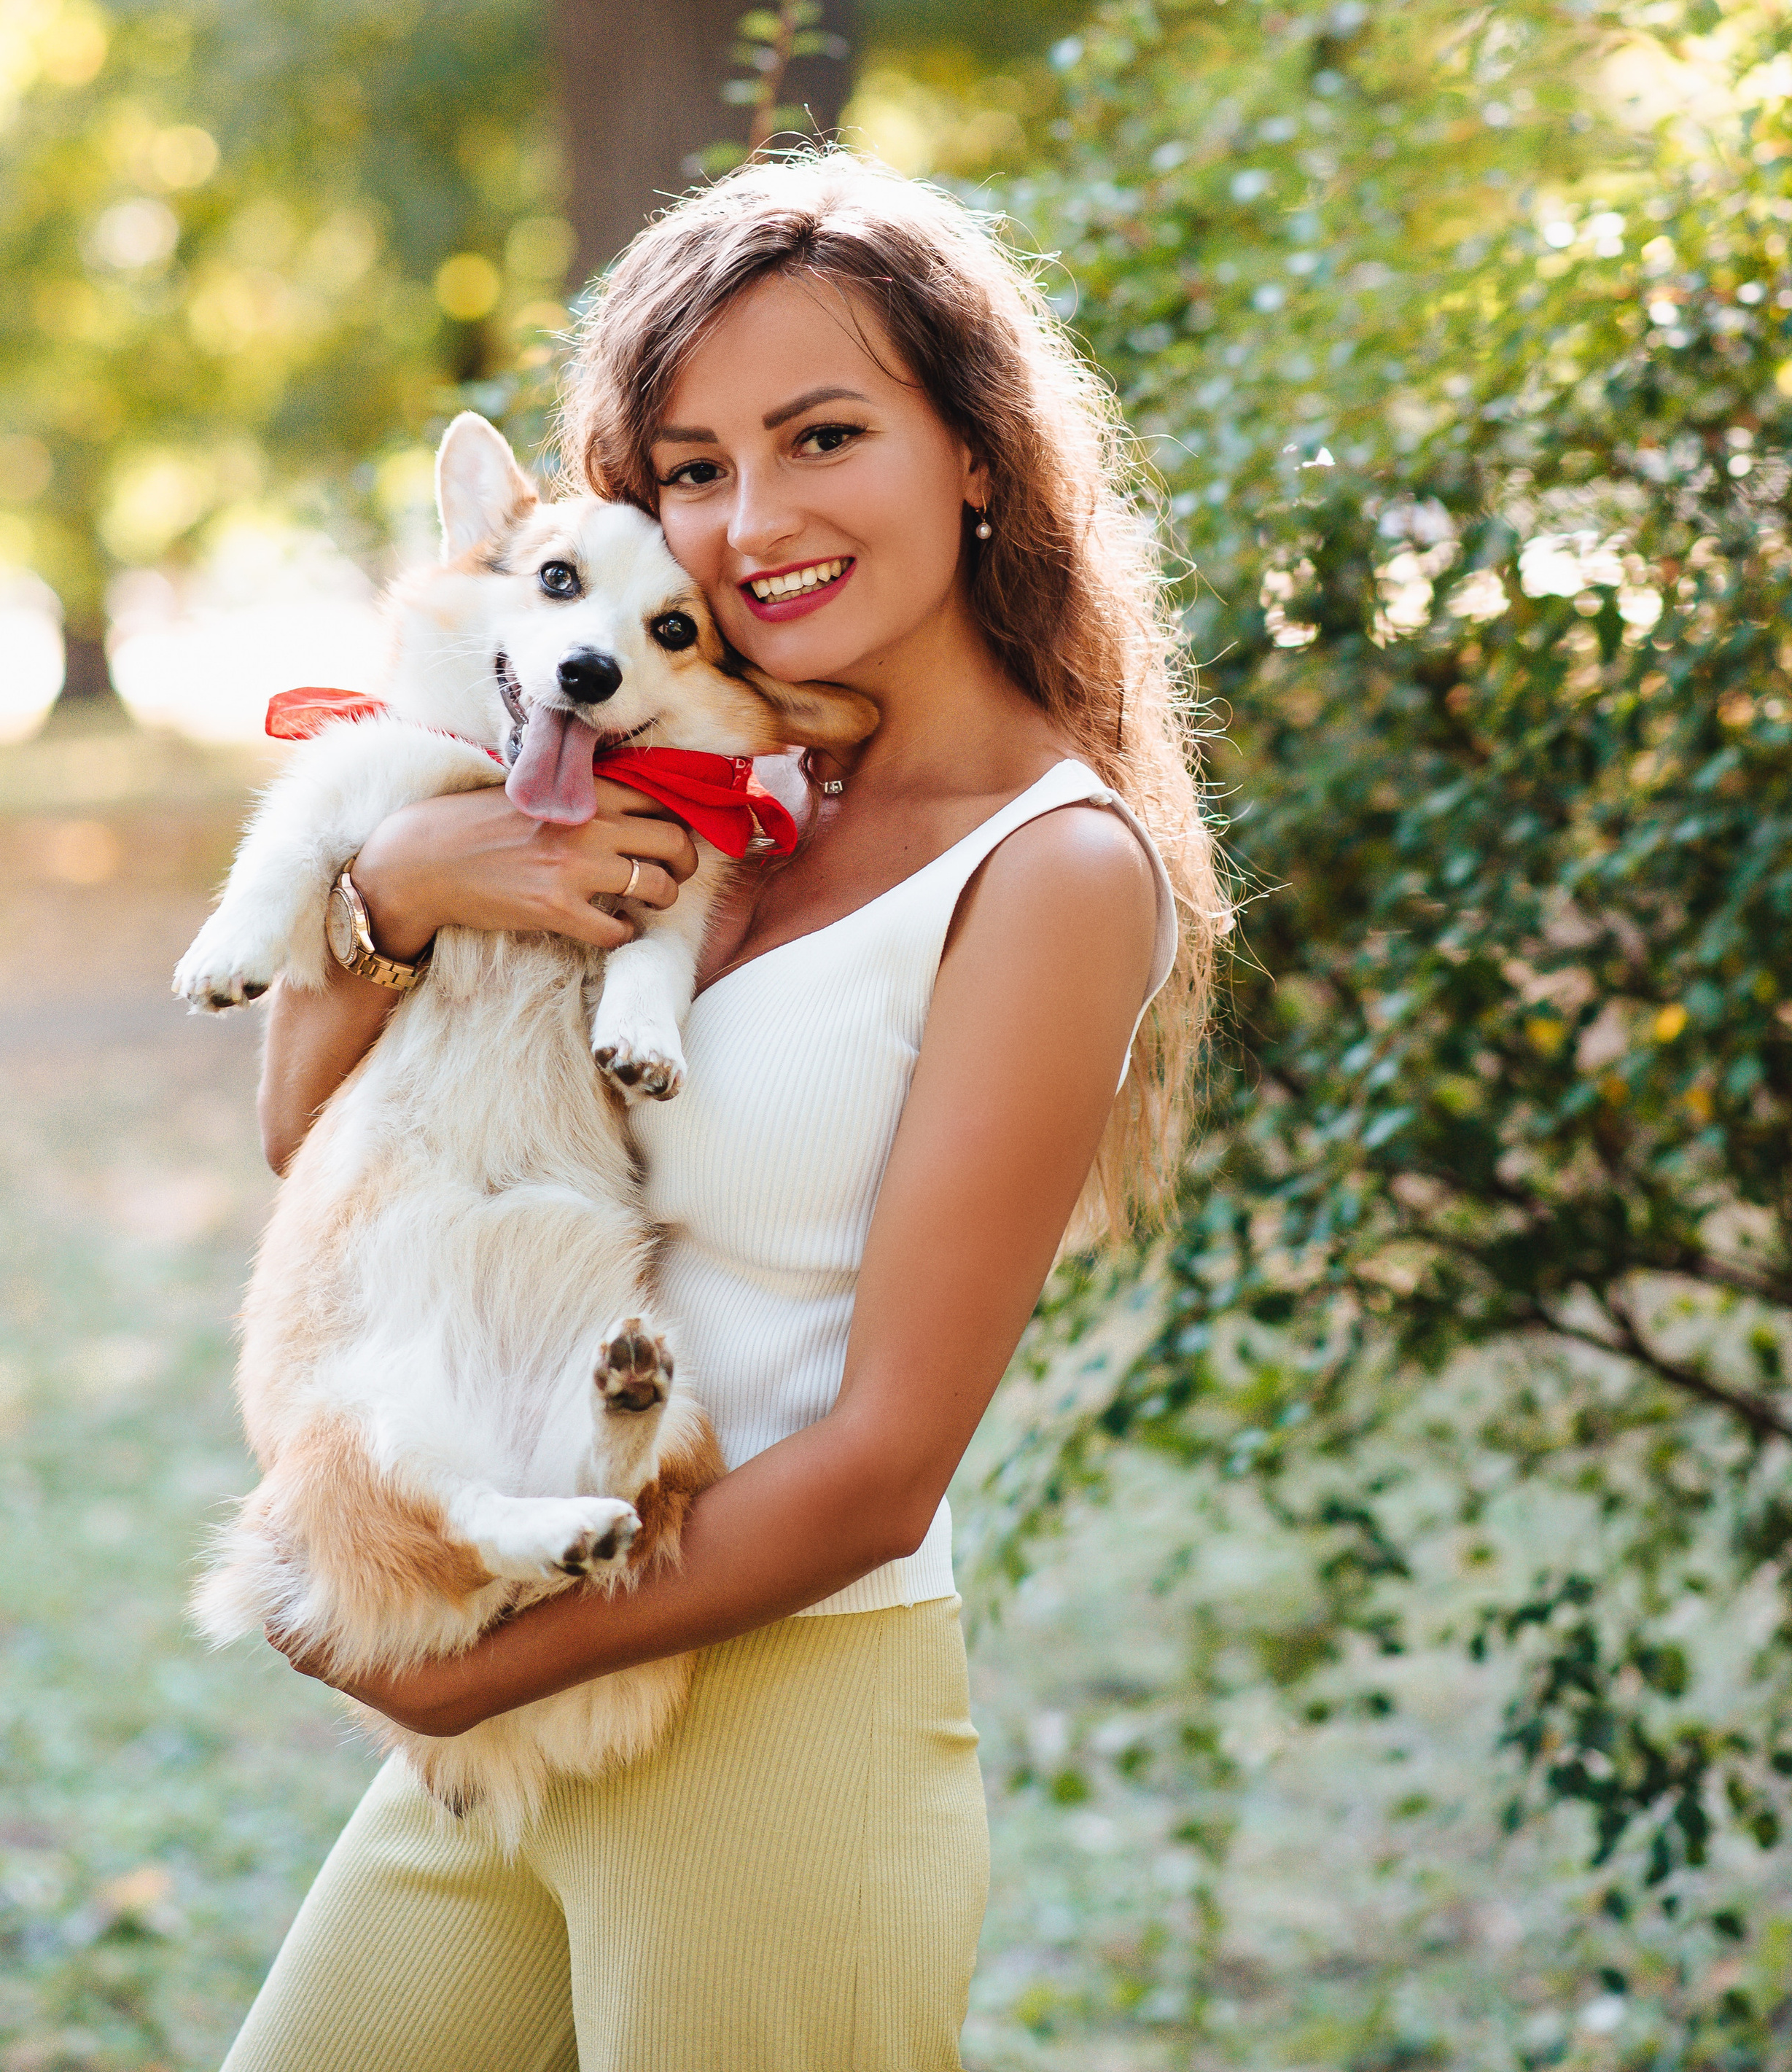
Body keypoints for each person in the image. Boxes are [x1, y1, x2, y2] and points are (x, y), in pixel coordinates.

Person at [225, 150, 1222, 2072]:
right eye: (690, 466)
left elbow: (885, 1461)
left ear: (981, 455)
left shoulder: (1051, 872)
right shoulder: (686, 787)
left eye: (822, 435)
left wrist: (450, 1670)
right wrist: (412, 891)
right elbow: (310, 1137)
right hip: (531, 1714)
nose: (749, 520)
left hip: (771, 1712)